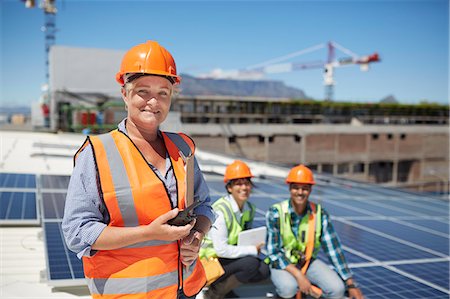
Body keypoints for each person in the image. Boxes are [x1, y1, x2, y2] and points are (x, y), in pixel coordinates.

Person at [62, 40, 215, 299]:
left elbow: (204, 206)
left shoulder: (183, 147)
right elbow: (78, 232)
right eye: (143, 91)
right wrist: (148, 233)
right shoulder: (97, 152)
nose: (153, 102)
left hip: (184, 290)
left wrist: (198, 234)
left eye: (163, 93)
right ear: (125, 94)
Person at [265, 165, 364, 299]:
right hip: (282, 263)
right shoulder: (276, 212)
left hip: (307, 262)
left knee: (337, 290)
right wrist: (299, 276)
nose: (300, 192)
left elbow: (334, 250)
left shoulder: (319, 214)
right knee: (289, 288)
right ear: (289, 188)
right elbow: (274, 253)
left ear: (310, 189)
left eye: (305, 188)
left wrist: (351, 284)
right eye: (296, 187)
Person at [200, 160, 270, 299]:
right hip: (208, 262)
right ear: (230, 187)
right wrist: (252, 250)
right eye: (239, 183)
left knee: (264, 270)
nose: (244, 187)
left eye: (247, 183)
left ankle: (224, 288)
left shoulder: (249, 208)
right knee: (251, 263)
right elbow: (221, 249)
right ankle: (214, 294)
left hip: (227, 259)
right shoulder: (221, 211)